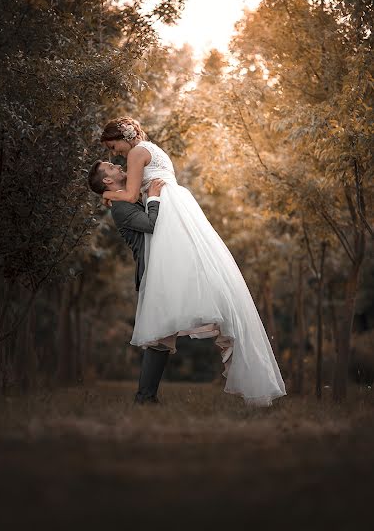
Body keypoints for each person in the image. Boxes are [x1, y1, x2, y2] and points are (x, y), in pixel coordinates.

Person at [97, 116, 286, 407]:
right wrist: (120, 194)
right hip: (178, 209)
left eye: (113, 147)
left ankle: (146, 396)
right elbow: (137, 197)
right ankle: (147, 395)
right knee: (197, 293)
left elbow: (134, 194)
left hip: (166, 214)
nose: (115, 154)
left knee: (165, 305)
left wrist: (108, 193)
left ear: (124, 137)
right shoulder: (151, 148)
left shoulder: (136, 153)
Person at [88, 160, 169, 404]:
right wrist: (154, 198)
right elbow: (152, 225)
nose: (117, 165)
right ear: (107, 181)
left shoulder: (123, 197)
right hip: (151, 272)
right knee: (159, 336)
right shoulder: (120, 208)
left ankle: (146, 396)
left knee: (163, 336)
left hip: (162, 266)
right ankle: (145, 397)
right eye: (111, 167)